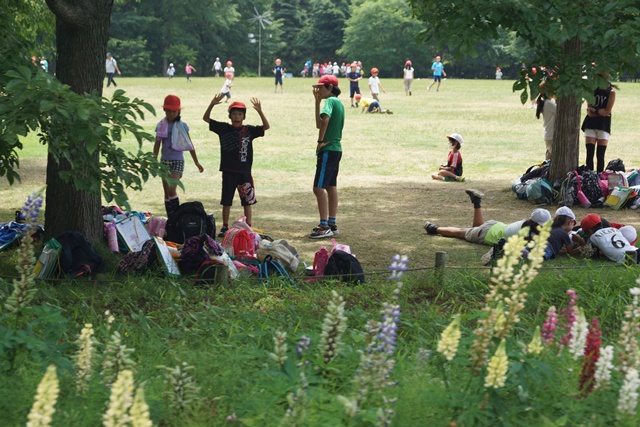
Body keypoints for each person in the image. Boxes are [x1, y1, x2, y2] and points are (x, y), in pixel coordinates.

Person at [202, 95, 269, 237]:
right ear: (229, 116)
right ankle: (225, 226)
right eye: (234, 114)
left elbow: (266, 127)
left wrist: (260, 111)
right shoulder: (223, 128)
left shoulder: (249, 130)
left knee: (247, 201)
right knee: (226, 200)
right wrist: (212, 104)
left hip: (244, 171)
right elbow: (206, 118)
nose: (236, 117)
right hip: (228, 171)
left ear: (244, 116)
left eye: (239, 114)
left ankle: (248, 225)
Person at [424, 189, 551, 246]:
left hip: (495, 226)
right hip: (488, 235)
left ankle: (477, 202)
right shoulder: (529, 236)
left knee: (472, 229)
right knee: (460, 232)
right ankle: (434, 229)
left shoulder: (527, 222)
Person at [153, 95, 204, 218]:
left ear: (178, 111)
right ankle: (171, 219)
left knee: (172, 189)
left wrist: (197, 162)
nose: (171, 114)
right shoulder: (161, 126)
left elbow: (189, 144)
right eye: (168, 111)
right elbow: (157, 144)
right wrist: (154, 160)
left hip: (177, 161)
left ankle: (177, 216)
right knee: (166, 193)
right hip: (164, 161)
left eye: (174, 111)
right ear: (164, 110)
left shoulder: (182, 126)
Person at [310, 75, 344, 239]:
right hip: (336, 149)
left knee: (318, 188)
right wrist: (317, 102)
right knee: (331, 186)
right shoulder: (338, 103)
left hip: (328, 149)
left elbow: (324, 122)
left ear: (330, 87)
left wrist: (320, 141)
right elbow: (319, 122)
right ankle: (332, 222)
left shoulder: (330, 101)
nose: (318, 90)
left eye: (321, 87)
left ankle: (324, 225)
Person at [581, 73, 617, 172]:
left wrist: (595, 111)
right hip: (591, 125)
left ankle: (599, 178)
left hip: (603, 125)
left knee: (600, 155)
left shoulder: (611, 92)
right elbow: (589, 112)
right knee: (590, 153)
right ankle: (589, 177)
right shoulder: (592, 90)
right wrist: (598, 112)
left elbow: (607, 112)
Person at [535, 86, 556, 161]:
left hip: (549, 135)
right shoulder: (549, 103)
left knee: (549, 157)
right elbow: (561, 111)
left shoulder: (546, 103)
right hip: (551, 135)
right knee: (553, 157)